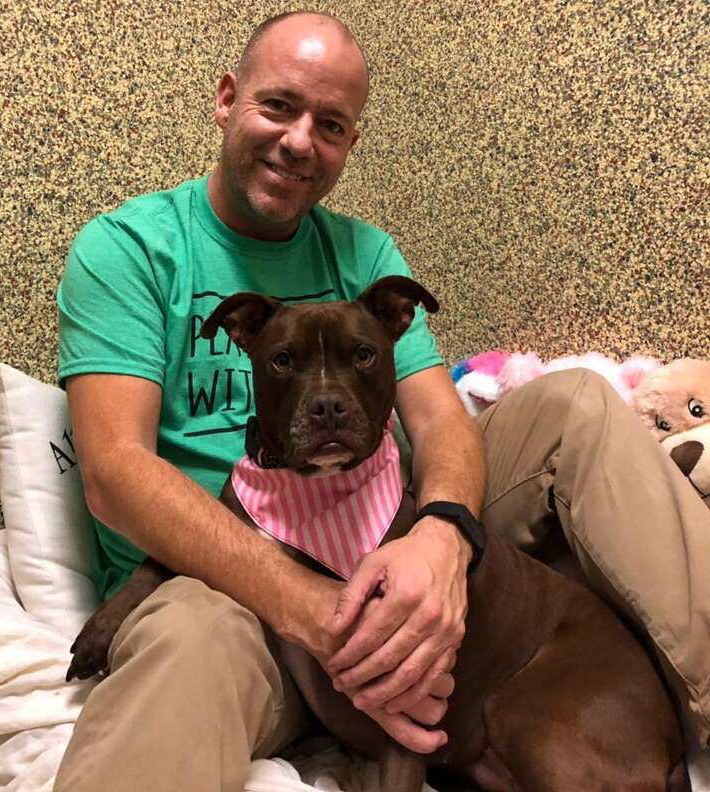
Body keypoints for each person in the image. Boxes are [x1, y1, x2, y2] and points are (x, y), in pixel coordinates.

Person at [53, 11, 710, 792]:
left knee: (577, 401)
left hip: (382, 515)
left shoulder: (365, 250)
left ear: (350, 144)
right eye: (278, 106)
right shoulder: (131, 248)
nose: (300, 141)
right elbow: (115, 471)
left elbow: (439, 421)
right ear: (226, 98)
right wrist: (313, 610)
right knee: (185, 642)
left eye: (329, 124)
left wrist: (442, 534)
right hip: (224, 580)